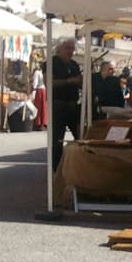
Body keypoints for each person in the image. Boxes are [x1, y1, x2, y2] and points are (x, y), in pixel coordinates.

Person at [49, 37, 82, 171]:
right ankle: (56, 169)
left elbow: (79, 82)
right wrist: (69, 81)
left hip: (72, 103)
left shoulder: (74, 64)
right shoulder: (52, 62)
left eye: (72, 49)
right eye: (68, 48)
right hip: (58, 103)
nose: (71, 51)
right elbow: (49, 83)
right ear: (59, 49)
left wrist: (80, 81)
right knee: (57, 139)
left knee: (80, 135)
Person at [31, 58, 47, 131]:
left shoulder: (37, 72)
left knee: (38, 107)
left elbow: (35, 83)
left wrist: (33, 90)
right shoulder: (45, 72)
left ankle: (38, 123)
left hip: (39, 90)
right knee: (44, 107)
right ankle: (44, 122)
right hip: (44, 89)